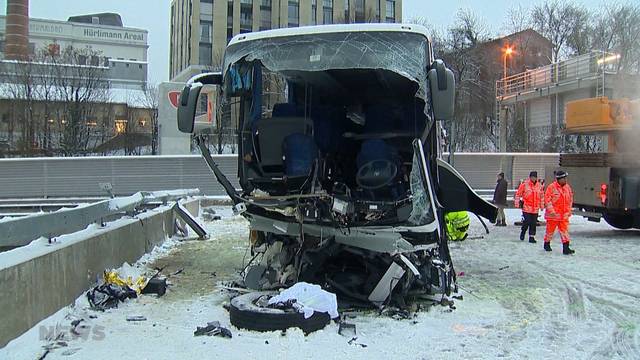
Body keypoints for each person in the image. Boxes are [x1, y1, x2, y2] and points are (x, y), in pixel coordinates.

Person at [543, 170, 575, 255]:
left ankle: (566, 248)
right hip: (553, 215)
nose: (565, 180)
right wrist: (552, 211)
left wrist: (569, 211)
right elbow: (547, 200)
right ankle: (547, 244)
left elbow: (570, 200)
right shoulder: (551, 187)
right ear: (559, 179)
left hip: (563, 215)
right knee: (550, 231)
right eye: (564, 178)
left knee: (564, 232)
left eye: (565, 178)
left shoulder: (567, 187)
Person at [514, 171, 544, 243]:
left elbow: (542, 196)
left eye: (534, 177)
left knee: (533, 223)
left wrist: (542, 205)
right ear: (530, 177)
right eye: (532, 177)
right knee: (527, 221)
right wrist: (517, 203)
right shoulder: (524, 185)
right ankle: (523, 231)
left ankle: (532, 237)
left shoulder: (539, 186)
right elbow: (518, 194)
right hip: (527, 208)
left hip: (535, 208)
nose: (533, 178)